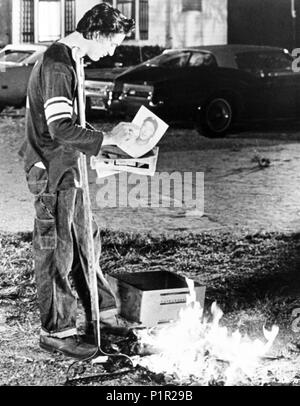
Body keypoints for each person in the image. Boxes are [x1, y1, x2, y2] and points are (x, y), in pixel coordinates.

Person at [18, 3, 138, 360]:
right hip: (51, 172)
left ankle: (103, 315)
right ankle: (57, 331)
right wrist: (106, 141)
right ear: (97, 34)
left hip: (70, 168)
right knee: (56, 250)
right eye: (113, 41)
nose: (113, 50)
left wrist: (102, 148)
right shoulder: (58, 63)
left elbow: (70, 124)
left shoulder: (71, 58)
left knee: (88, 240)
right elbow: (59, 127)